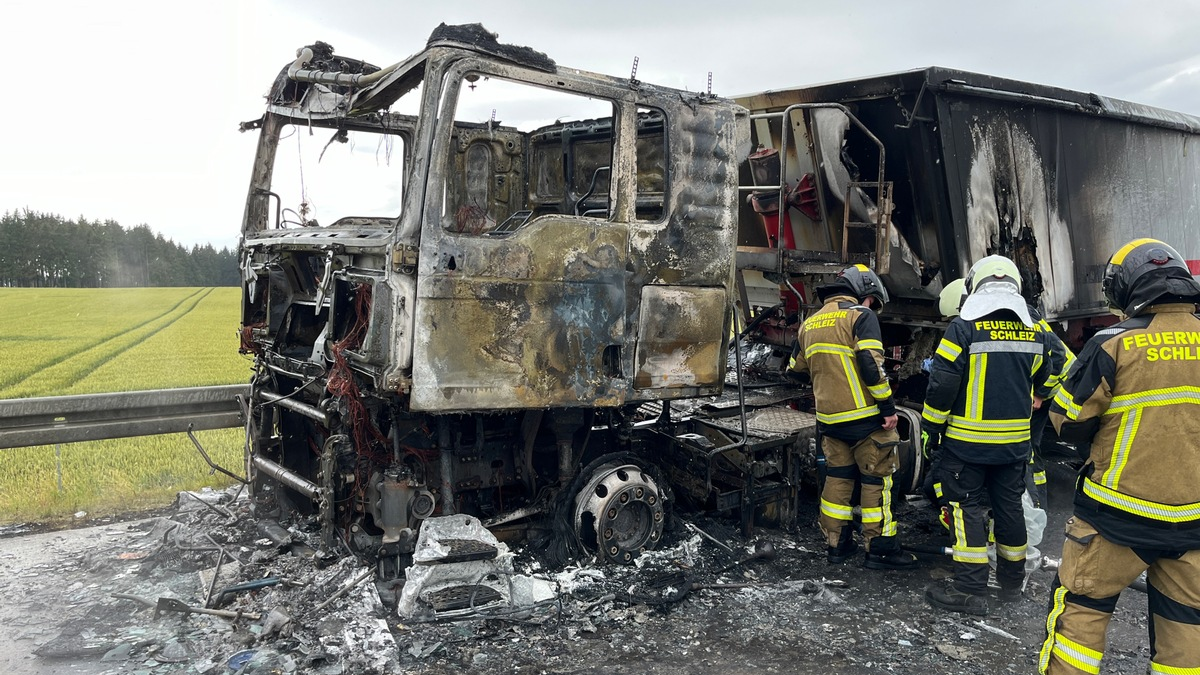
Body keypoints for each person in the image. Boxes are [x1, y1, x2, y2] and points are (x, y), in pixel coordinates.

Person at [1039, 238, 1200, 675]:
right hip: (1193, 520)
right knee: (1186, 631)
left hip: (1116, 515)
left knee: (1082, 613)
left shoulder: (1114, 343)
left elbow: (1068, 420)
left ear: (1127, 288)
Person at [921, 255, 1055, 616]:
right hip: (1013, 448)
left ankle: (970, 591)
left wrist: (931, 429)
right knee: (1009, 510)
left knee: (966, 511)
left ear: (975, 286)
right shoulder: (1035, 330)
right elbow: (1049, 376)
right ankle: (1011, 586)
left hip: (967, 446)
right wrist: (1036, 394)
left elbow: (942, 385)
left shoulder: (963, 328)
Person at [788, 264, 917, 570]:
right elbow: (871, 365)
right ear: (864, 292)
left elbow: (794, 370)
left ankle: (837, 546)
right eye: (872, 301)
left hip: (830, 421)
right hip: (867, 420)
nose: (871, 306)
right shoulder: (860, 315)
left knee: (838, 479)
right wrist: (888, 409)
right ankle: (880, 550)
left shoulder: (810, 323)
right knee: (878, 481)